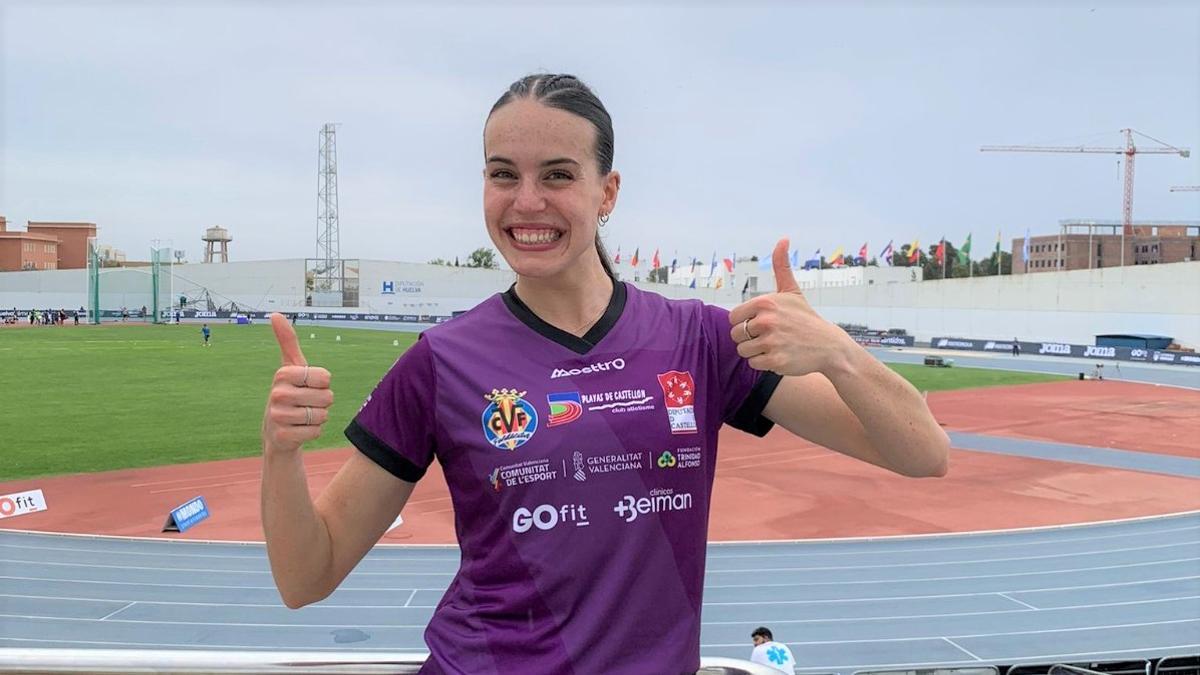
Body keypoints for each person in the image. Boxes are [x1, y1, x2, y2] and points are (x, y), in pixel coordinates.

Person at [260, 73, 949, 675]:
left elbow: (923, 453)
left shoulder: (701, 339)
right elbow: (306, 574)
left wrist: (839, 351)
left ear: (607, 191)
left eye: (557, 174)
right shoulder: (440, 362)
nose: (526, 200)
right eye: (504, 173)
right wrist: (281, 450)